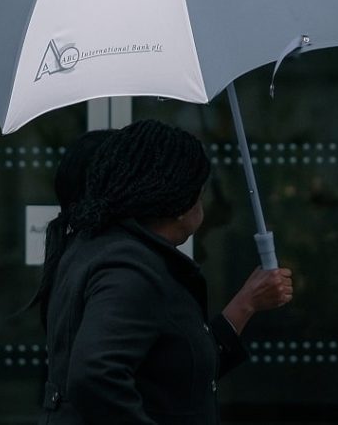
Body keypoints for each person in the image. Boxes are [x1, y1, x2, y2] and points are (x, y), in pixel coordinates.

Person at [34, 120, 294, 424]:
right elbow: (95, 375)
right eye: (200, 191)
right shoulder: (128, 266)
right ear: (181, 204)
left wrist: (246, 303)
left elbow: (176, 369)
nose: (204, 201)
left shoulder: (105, 248)